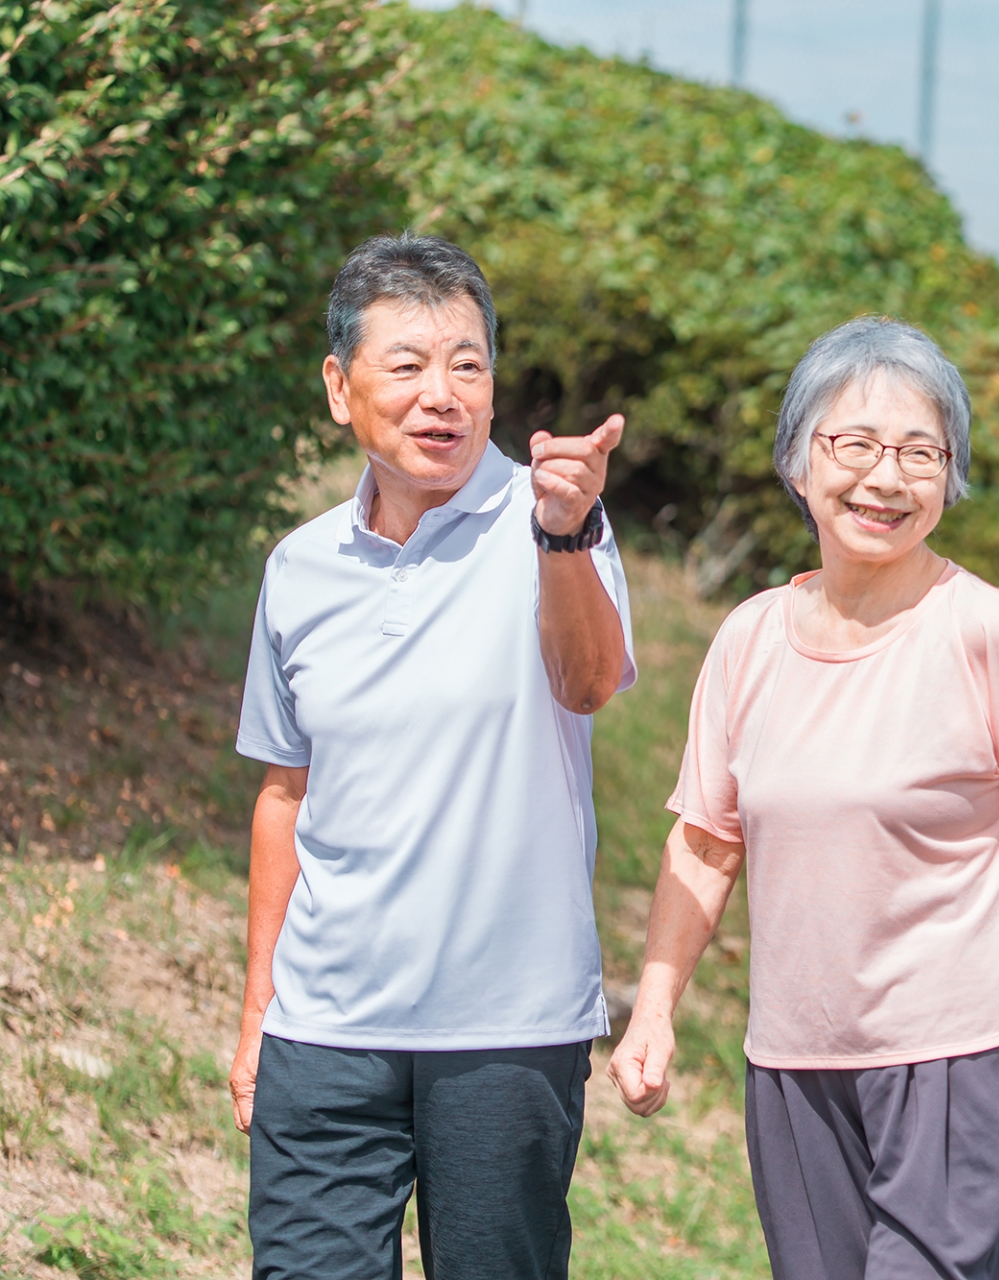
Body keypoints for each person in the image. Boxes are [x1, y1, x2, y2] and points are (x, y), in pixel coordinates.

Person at [607, 316, 999, 1280]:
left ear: (950, 476)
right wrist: (654, 1009)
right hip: (794, 1067)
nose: (886, 478)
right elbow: (705, 842)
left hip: (957, 1058)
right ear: (798, 461)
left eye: (919, 452)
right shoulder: (747, 641)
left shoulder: (986, 631)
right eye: (854, 444)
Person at [229, 232, 637, 1279]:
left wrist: (563, 536)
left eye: (468, 365)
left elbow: (589, 681)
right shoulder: (300, 567)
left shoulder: (558, 524)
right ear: (340, 387)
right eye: (407, 365)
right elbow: (285, 793)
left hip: (506, 1030)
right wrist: (259, 1010)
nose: (441, 395)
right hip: (324, 1029)